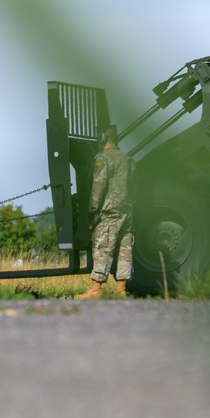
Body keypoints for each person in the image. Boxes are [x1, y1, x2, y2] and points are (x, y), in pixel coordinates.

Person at [78, 126, 136, 299]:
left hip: (109, 213)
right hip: (127, 211)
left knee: (103, 248)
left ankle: (96, 289)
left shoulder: (103, 159)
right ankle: (121, 289)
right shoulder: (128, 160)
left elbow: (98, 188)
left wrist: (92, 211)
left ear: (102, 138)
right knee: (125, 249)